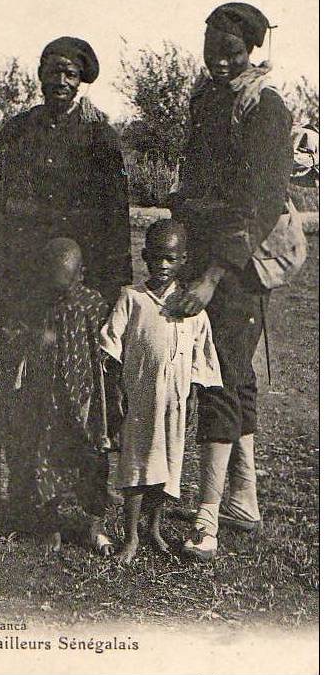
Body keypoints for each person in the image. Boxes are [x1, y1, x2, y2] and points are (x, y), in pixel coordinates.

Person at [0, 36, 132, 497]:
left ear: (82, 80)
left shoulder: (99, 139)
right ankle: (13, 486)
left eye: (70, 73)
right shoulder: (17, 133)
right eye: (53, 71)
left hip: (79, 289)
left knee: (81, 389)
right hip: (23, 280)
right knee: (21, 383)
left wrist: (113, 288)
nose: (61, 81)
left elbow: (115, 219)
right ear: (40, 75)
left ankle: (83, 494)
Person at [166, 2, 293, 560]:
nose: (220, 60)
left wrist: (215, 276)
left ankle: (207, 517)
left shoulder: (265, 108)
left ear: (251, 51)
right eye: (212, 49)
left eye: (233, 52)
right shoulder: (206, 101)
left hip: (237, 265)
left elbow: (257, 205)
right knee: (235, 378)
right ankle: (244, 498)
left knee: (218, 377)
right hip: (202, 250)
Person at [100, 220, 222, 565]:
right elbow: (110, 346)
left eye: (170, 259)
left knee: (167, 468)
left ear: (183, 260)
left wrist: (195, 395)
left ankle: (153, 528)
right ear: (144, 257)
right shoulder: (133, 299)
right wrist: (116, 392)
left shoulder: (192, 308)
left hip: (176, 403)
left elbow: (202, 357)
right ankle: (131, 537)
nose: (163, 266)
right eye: (155, 258)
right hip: (140, 401)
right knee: (137, 468)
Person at [5, 238, 113, 555]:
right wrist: (34, 336)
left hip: (85, 399)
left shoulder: (92, 305)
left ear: (81, 275)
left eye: (63, 288)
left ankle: (94, 525)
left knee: (93, 459)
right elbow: (13, 336)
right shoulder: (36, 305)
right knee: (45, 459)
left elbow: (108, 347)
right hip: (46, 401)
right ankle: (49, 524)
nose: (57, 294)